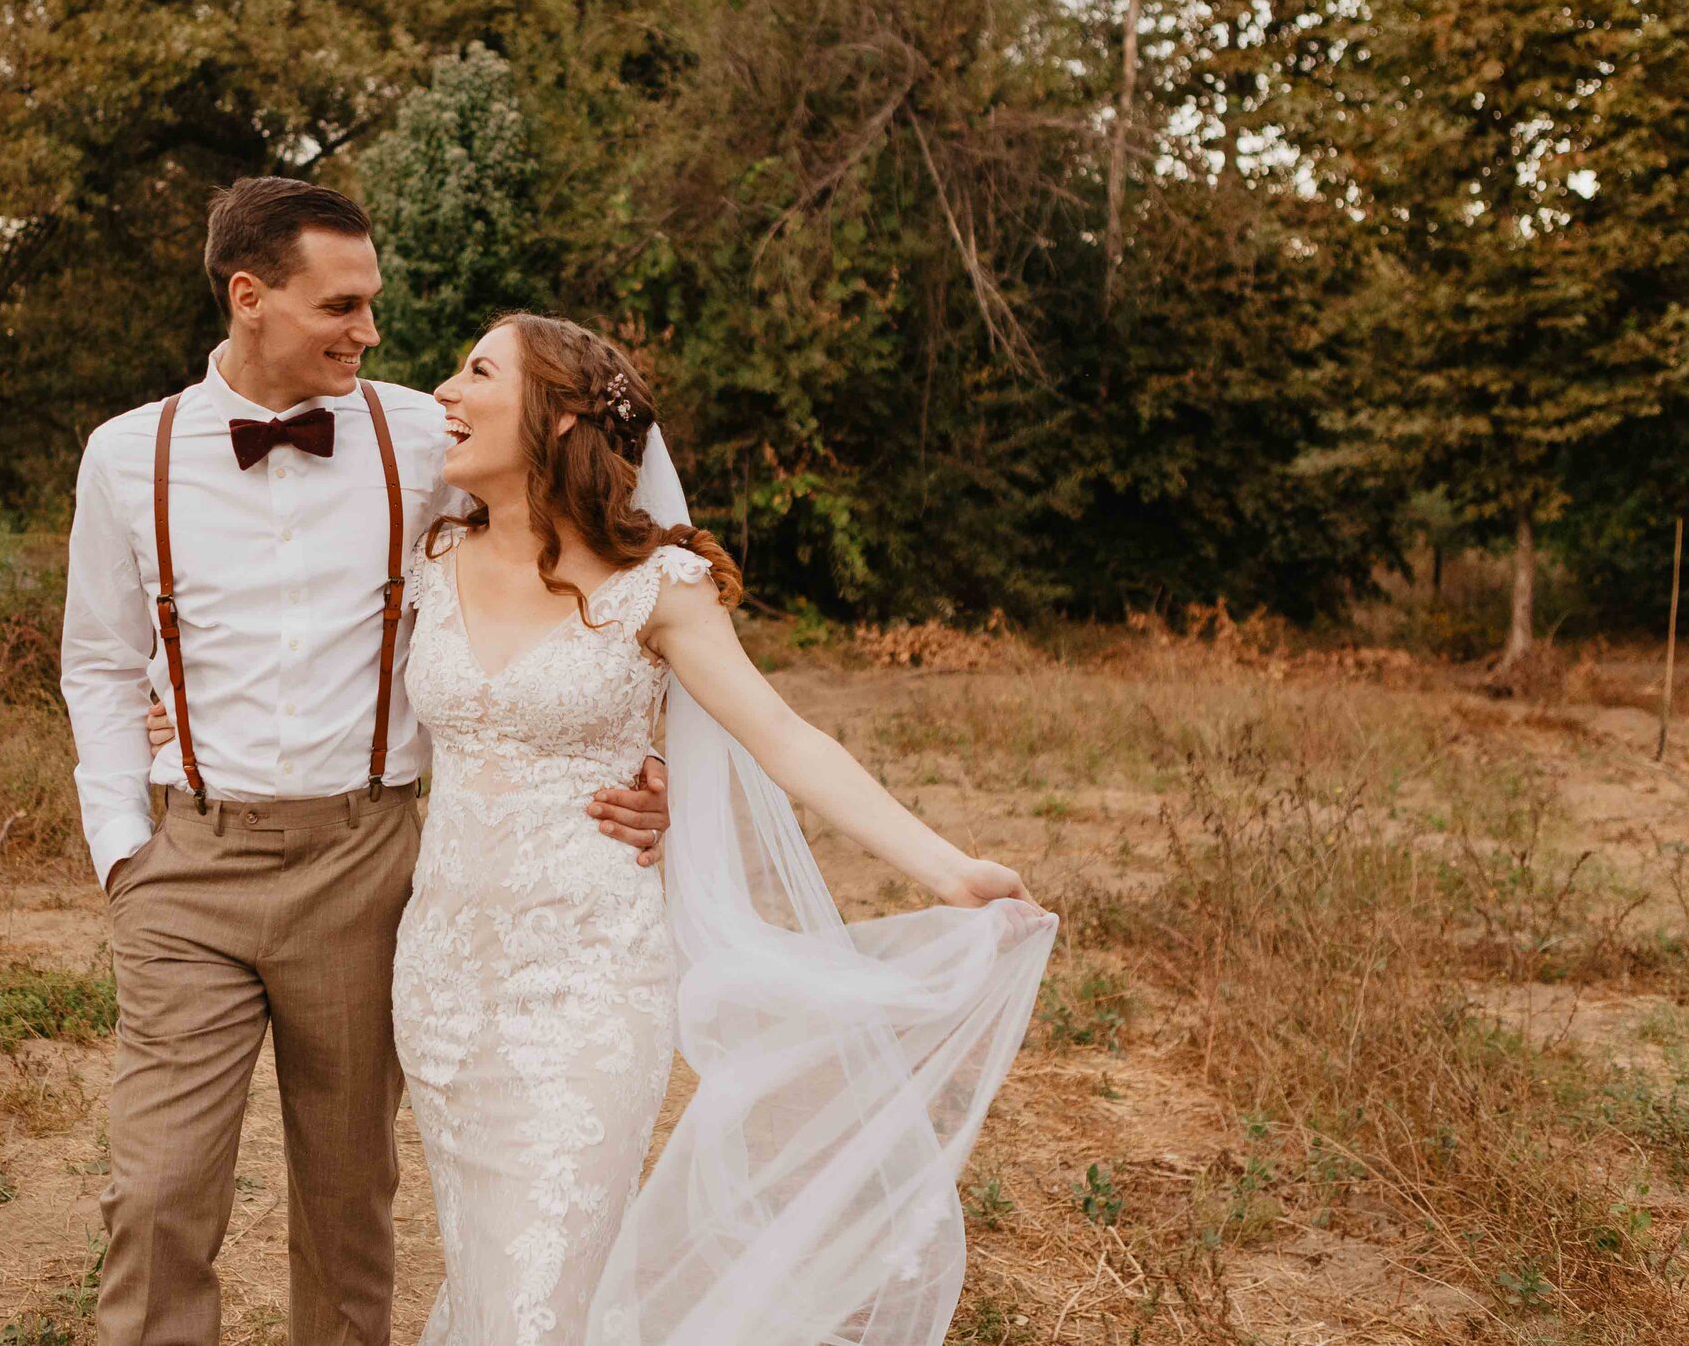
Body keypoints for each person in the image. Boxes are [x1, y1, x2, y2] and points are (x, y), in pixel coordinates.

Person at [58, 181, 669, 1346]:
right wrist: (120, 845)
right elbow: (97, 660)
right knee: (154, 1191)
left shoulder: (417, 433)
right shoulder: (124, 456)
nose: (370, 330)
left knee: (348, 1204)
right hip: (187, 864)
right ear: (251, 297)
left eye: (372, 302)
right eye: (342, 304)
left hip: (367, 860)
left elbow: (584, 558)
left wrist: (640, 756)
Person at [391, 313, 1054, 1346]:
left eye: (477, 370)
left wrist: (952, 867)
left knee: (539, 1294)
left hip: (585, 983)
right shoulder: (432, 559)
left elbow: (782, 736)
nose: (444, 388)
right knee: (488, 1270)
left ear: (560, 410)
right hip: (438, 979)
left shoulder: (659, 584)